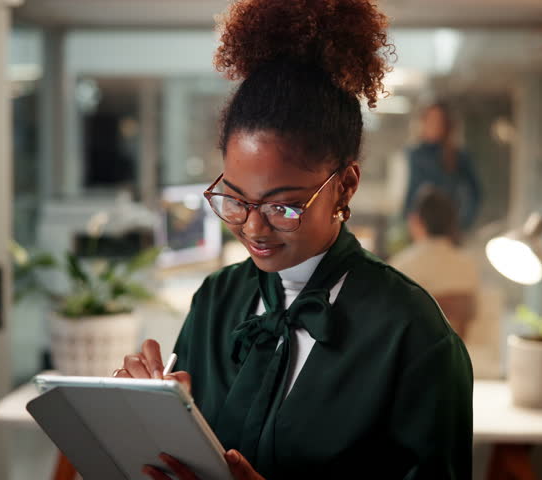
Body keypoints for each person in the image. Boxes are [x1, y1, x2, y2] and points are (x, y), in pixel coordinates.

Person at [114, 1, 473, 478]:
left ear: (346, 185)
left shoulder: (414, 336)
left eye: (283, 207)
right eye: (236, 200)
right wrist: (149, 420)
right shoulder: (216, 301)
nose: (254, 229)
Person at [389, 186, 480, 338]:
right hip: (462, 353)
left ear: (416, 221)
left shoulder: (400, 265)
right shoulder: (468, 264)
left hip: (415, 356)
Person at [401, 102, 481, 232]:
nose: (435, 125)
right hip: (421, 228)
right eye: (431, 120)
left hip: (449, 228)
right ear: (423, 122)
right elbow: (411, 191)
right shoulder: (415, 154)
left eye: (439, 121)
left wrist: (463, 223)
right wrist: (409, 220)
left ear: (447, 125)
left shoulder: (458, 156)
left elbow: (474, 194)